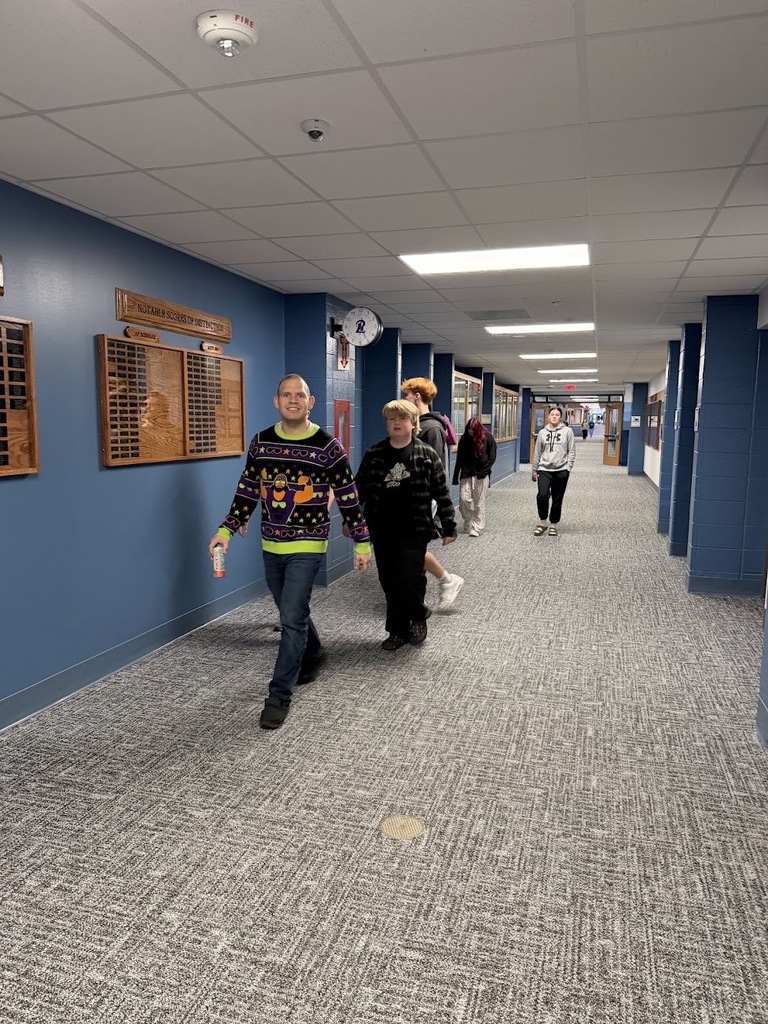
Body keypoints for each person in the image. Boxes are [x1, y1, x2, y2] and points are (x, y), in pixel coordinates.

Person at [207, 373, 371, 730]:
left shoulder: (328, 447)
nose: (293, 400)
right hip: (271, 542)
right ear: (276, 402)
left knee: (292, 618)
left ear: (311, 402)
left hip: (309, 544)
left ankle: (279, 694)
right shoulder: (262, 442)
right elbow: (248, 489)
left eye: (300, 395)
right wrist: (226, 531)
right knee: (288, 611)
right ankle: (313, 652)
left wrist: (361, 541)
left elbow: (348, 495)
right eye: (286, 395)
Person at [355, 399, 456, 650]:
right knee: (389, 581)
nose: (396, 423)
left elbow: (441, 492)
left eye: (402, 419)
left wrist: (449, 525)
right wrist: (353, 521)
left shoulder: (426, 454)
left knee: (409, 579)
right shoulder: (374, 453)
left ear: (413, 424)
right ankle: (398, 630)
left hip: (414, 529)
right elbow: (359, 491)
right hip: (382, 528)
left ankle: (418, 617)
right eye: (391, 419)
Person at [400, 376, 464, 612]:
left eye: (407, 395)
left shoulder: (432, 428)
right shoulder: (418, 426)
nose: (404, 399)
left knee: (411, 547)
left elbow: (432, 470)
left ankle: (447, 580)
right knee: (408, 548)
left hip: (422, 499)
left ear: (416, 396)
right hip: (411, 497)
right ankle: (418, 595)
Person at [531, 405, 575, 537]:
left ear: (560, 417)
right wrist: (534, 469)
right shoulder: (542, 433)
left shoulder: (567, 431)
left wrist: (568, 468)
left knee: (557, 498)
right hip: (544, 469)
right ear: (548, 417)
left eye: (557, 414)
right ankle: (543, 522)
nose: (554, 416)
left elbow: (571, 451)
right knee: (542, 495)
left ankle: (554, 524)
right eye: (552, 415)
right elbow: (537, 452)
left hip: (561, 470)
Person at [452, 417, 497, 537]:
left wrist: (484, 471)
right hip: (466, 473)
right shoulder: (464, 439)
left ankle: (476, 527)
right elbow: (459, 458)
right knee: (464, 498)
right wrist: (456, 475)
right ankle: (468, 518)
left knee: (479, 502)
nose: (470, 432)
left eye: (473, 430)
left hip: (481, 474)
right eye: (469, 430)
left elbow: (492, 457)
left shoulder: (487, 437)